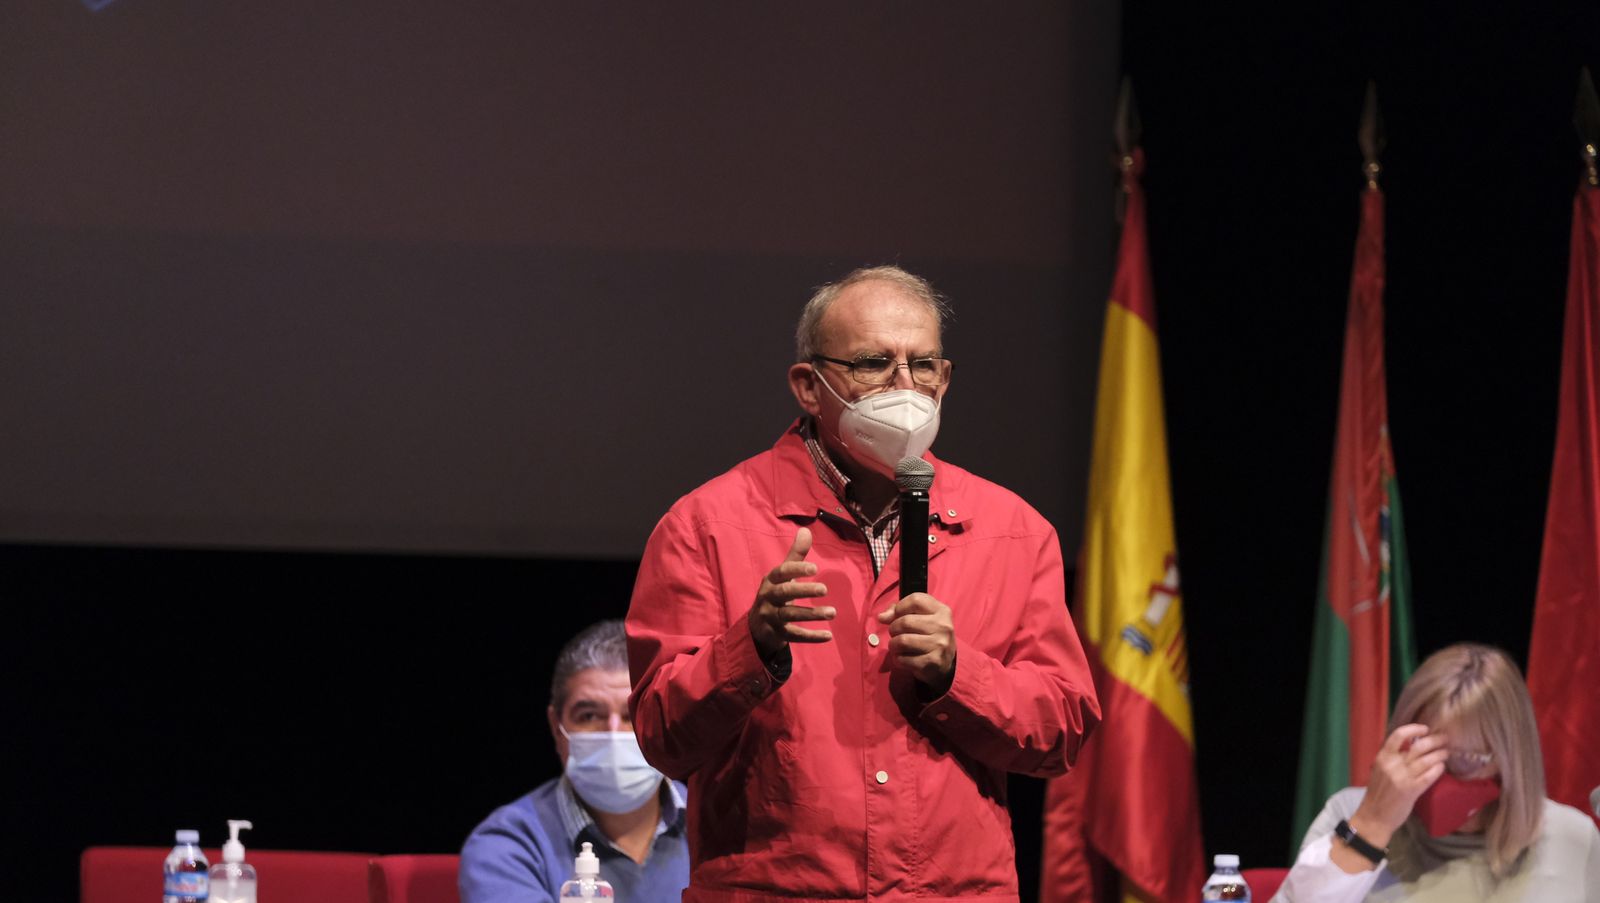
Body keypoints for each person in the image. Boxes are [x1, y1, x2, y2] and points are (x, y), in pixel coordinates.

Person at [626, 265, 1101, 900]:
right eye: (874, 363)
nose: (904, 385)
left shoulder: (1015, 532)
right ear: (809, 386)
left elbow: (1062, 731)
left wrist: (960, 675)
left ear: (946, 379)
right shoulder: (705, 525)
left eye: (923, 365)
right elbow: (660, 736)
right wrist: (752, 646)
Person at [1278, 643, 1600, 902]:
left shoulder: (1571, 837)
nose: (1434, 775)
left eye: (1467, 758)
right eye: (1422, 751)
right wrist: (1372, 826)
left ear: (1510, 761)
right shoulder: (1350, 815)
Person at [459, 620, 690, 903]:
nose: (614, 734)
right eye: (589, 716)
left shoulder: (720, 823)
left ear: (665, 719)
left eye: (633, 714)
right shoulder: (506, 845)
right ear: (557, 728)